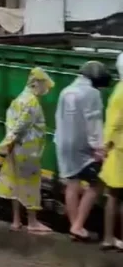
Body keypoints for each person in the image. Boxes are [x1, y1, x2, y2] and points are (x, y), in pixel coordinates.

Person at [55, 61, 110, 242]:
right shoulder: (91, 93)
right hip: (81, 145)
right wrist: (99, 147)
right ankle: (78, 225)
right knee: (98, 182)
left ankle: (75, 227)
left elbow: (59, 117)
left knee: (72, 183)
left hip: (63, 142)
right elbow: (93, 122)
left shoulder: (66, 91)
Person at [0, 67, 54, 233]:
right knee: (31, 184)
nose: (45, 89)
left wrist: (8, 142)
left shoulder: (19, 99)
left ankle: (16, 220)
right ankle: (33, 222)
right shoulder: (31, 101)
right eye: (44, 85)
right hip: (28, 149)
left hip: (15, 147)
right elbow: (22, 125)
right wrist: (12, 139)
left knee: (15, 182)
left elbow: (11, 123)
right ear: (36, 84)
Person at [100, 53, 123, 250]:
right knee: (115, 195)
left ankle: (109, 237)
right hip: (119, 151)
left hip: (118, 149)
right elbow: (115, 123)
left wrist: (105, 146)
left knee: (113, 195)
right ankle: (110, 238)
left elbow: (112, 124)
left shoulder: (119, 90)